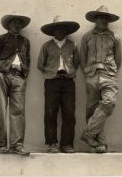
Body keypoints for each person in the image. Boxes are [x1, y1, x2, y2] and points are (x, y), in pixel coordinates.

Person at [0, 14, 31, 156]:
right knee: (1, 110)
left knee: (18, 111)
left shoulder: (25, 42)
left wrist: (24, 76)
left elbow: (28, 60)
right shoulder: (0, 39)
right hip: (1, 76)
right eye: (14, 22)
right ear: (9, 25)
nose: (17, 25)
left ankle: (17, 145)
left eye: (19, 23)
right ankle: (1, 145)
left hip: (18, 77)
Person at [80, 5, 121, 153]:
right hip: (91, 75)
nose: (104, 20)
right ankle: (99, 144)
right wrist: (87, 71)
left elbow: (118, 59)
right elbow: (82, 58)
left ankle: (88, 133)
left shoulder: (114, 37)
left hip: (108, 75)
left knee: (109, 102)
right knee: (93, 110)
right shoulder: (87, 37)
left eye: (106, 18)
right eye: (101, 17)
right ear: (95, 19)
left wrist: (110, 72)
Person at [37, 15, 80, 153]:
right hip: (51, 82)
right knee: (50, 112)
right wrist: (51, 72)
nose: (60, 31)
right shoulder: (47, 46)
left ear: (66, 31)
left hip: (68, 82)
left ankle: (66, 144)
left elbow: (77, 62)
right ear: (53, 31)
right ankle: (52, 144)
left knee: (69, 113)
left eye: (63, 29)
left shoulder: (73, 45)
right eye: (57, 29)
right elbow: (40, 64)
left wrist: (69, 72)